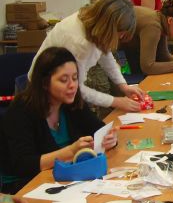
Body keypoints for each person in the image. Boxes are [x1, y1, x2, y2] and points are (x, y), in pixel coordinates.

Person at [0, 47, 118, 194]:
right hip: (25, 186)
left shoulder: (71, 103)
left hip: (63, 179)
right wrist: (70, 151)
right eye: (64, 80)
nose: (72, 85)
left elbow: (98, 128)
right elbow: (24, 165)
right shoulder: (20, 111)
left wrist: (110, 138)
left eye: (75, 78)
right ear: (44, 83)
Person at [28, 0, 144, 112]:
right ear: (109, 27)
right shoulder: (79, 43)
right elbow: (77, 88)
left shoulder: (95, 24)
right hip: (44, 94)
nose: (121, 38)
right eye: (121, 34)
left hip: (63, 92)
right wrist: (115, 101)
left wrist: (123, 86)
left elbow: (105, 53)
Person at [120, 0, 173, 75]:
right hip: (115, 51)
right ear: (170, 20)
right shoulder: (153, 26)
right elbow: (147, 67)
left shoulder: (161, 20)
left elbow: (163, 57)